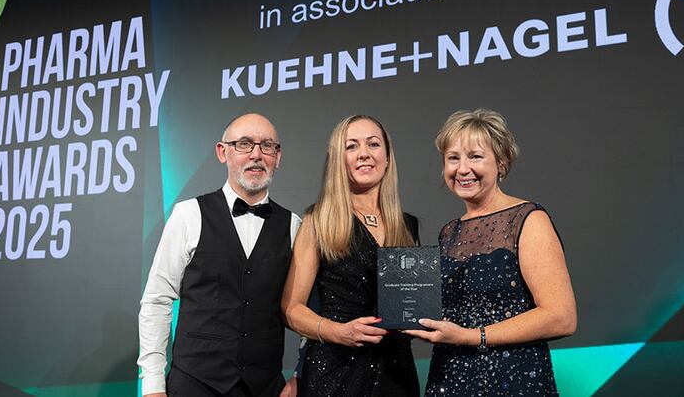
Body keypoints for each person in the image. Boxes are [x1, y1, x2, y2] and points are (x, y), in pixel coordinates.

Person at [404, 108, 577, 396]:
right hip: (450, 379)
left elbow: (562, 317)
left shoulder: (527, 219)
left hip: (512, 379)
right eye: (453, 158)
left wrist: (472, 337)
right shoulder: (449, 232)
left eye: (475, 156)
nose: (462, 169)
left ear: (501, 162)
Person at [138, 113, 302, 397]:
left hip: (265, 388)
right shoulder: (188, 214)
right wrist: (152, 385)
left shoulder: (294, 225)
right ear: (222, 152)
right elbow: (157, 300)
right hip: (194, 385)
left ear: (278, 156)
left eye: (267, 146)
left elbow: (306, 308)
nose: (256, 155)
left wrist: (301, 373)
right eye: (244, 144)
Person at [281, 115, 420, 397]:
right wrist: (338, 332)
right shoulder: (317, 220)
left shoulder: (407, 226)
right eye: (351, 146)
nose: (364, 154)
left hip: (396, 374)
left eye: (373, 144)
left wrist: (417, 323)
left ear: (388, 157)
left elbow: (411, 306)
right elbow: (290, 309)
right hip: (335, 371)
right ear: (338, 160)